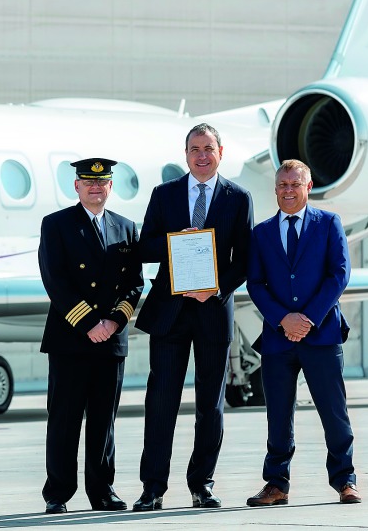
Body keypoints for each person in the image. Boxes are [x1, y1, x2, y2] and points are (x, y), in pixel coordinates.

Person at [132, 124, 253, 511]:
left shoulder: (239, 198)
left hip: (212, 313)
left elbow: (245, 260)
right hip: (170, 312)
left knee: (210, 405)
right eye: (194, 149)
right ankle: (153, 488)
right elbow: (145, 245)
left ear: (221, 151)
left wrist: (216, 288)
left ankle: (202, 484)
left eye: (208, 148)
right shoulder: (164, 194)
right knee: (161, 401)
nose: (201, 155)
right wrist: (175, 242)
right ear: (186, 154)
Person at [245, 159, 360, 507]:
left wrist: (307, 318)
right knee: (278, 415)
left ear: (308, 187)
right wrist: (284, 319)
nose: (288, 191)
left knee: (333, 412)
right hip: (279, 339)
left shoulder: (328, 224)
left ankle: (345, 480)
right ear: (275, 189)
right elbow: (256, 283)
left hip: (321, 335)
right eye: (282, 185)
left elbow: (338, 274)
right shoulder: (262, 233)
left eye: (295, 184)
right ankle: (276, 484)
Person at [38, 158, 145, 514]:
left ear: (110, 187)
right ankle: (58, 493)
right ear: (77, 187)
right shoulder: (56, 225)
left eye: (102, 183)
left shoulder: (127, 228)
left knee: (103, 421)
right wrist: (89, 324)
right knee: (65, 420)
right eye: (88, 182)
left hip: (111, 340)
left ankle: (102, 490)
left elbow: (134, 285)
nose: (95, 188)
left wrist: (113, 323)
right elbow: (55, 280)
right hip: (71, 338)